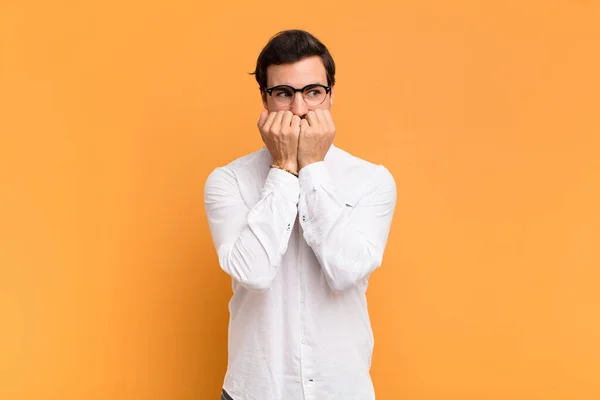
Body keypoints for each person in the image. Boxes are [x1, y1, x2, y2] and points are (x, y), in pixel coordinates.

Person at [204, 29, 397, 400]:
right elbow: (254, 273)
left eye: (313, 92)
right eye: (283, 94)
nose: (299, 109)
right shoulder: (227, 181)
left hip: (341, 389)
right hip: (255, 390)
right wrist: (284, 168)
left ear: (331, 95)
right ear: (265, 98)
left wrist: (312, 167)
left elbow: (345, 272)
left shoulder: (372, 180)